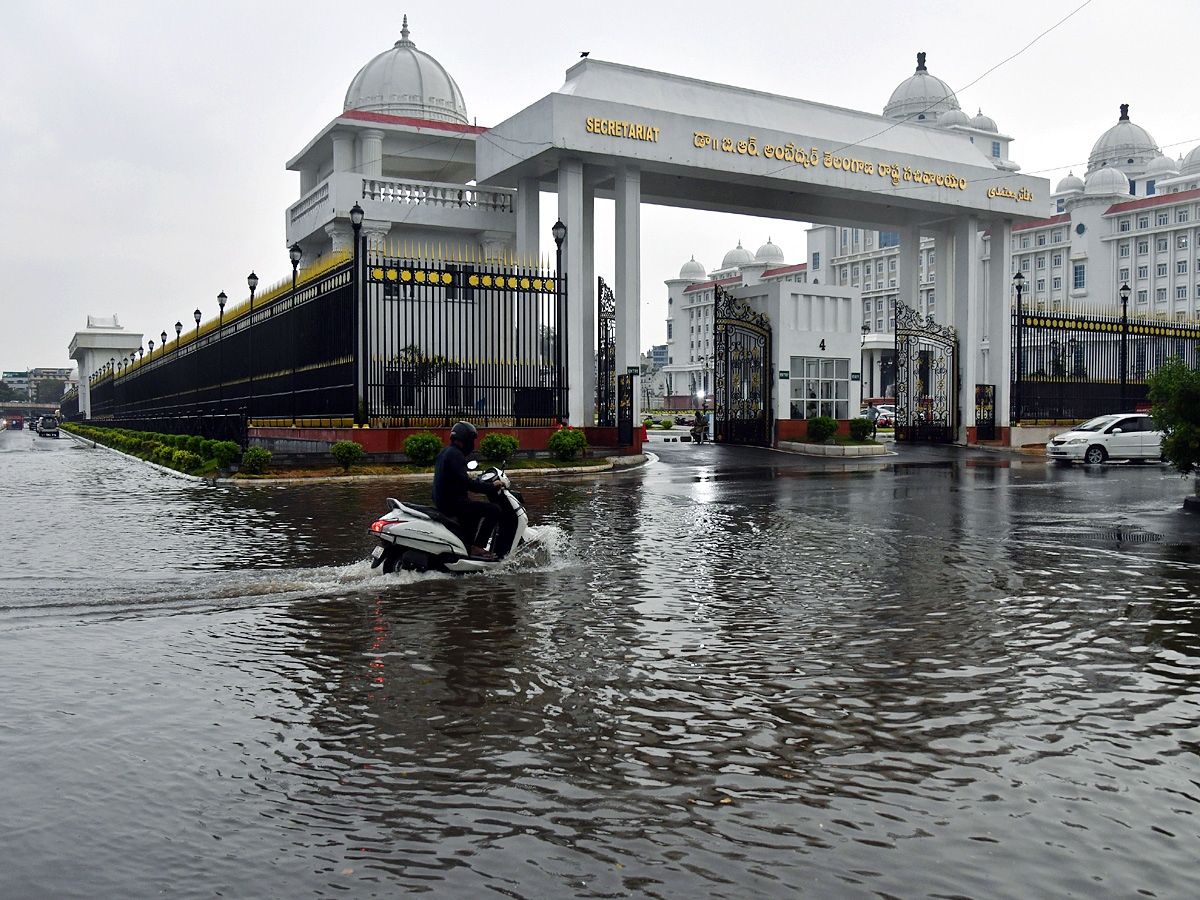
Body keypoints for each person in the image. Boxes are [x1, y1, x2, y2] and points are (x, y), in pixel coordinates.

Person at [432, 421, 501, 558]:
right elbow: (465, 482)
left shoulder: (445, 452)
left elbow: (457, 478)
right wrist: (490, 486)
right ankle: (477, 547)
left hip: (443, 501)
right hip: (452, 503)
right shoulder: (456, 454)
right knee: (495, 510)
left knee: (474, 511)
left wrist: (478, 483)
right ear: (467, 440)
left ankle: (467, 545)